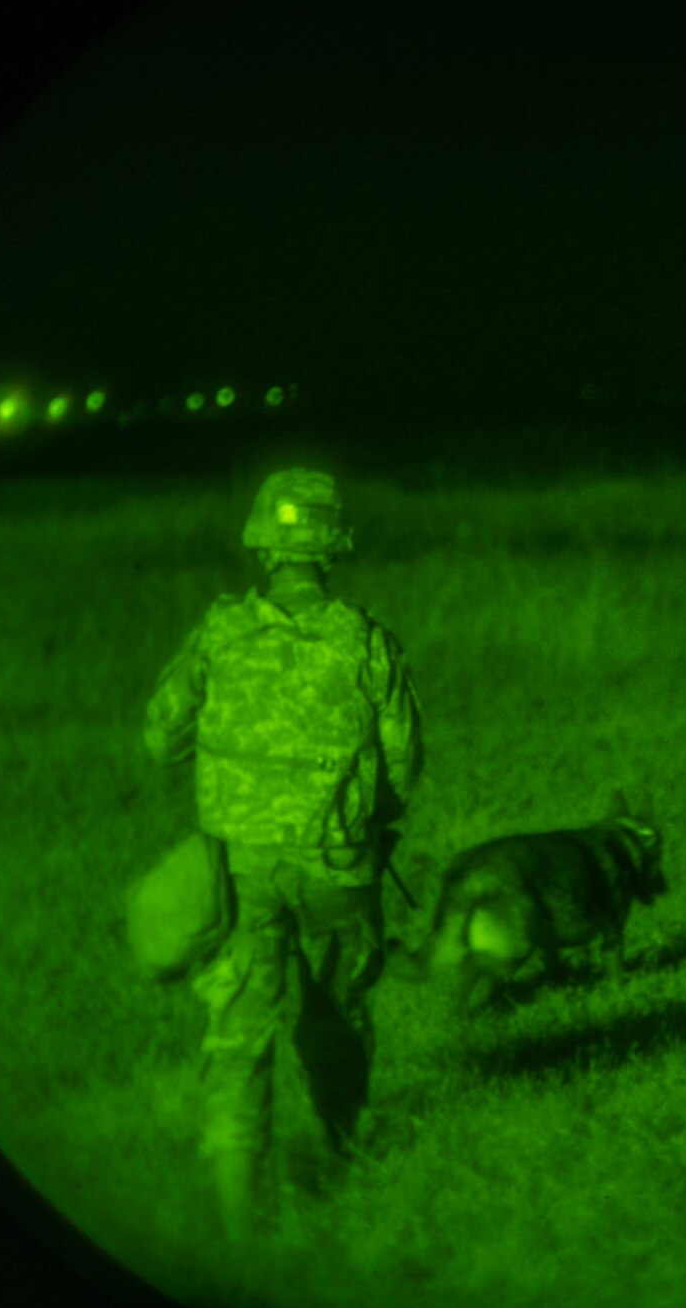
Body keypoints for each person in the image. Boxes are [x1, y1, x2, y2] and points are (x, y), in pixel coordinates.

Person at [142, 467, 422, 1245]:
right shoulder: (366, 641)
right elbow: (404, 767)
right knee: (337, 1017)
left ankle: (240, 1231)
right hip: (337, 866)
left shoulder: (220, 632)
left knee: (236, 1037)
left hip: (238, 871)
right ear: (334, 548)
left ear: (262, 542)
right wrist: (368, 824)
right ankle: (345, 1160)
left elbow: (160, 737)